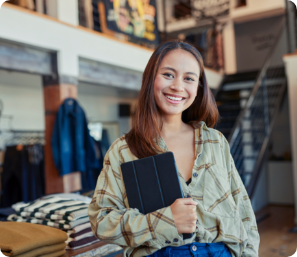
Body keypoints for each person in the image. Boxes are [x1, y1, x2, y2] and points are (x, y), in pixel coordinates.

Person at [88, 41, 260, 257]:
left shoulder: (215, 142)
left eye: (189, 78)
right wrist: (165, 220)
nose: (178, 86)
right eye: (168, 74)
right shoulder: (123, 150)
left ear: (198, 88)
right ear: (151, 79)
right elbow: (102, 220)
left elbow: (243, 210)